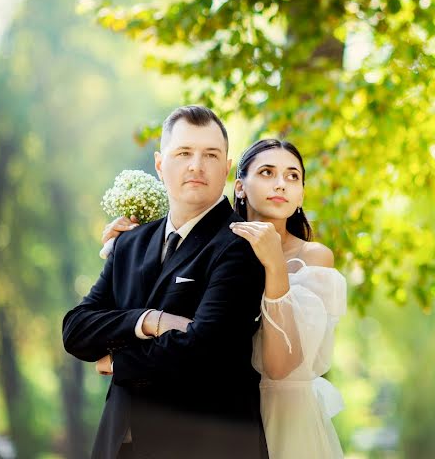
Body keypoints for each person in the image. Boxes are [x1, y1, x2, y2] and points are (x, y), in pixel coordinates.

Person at [105, 139, 347, 458]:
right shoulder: (210, 250)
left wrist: (274, 265)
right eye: (266, 172)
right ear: (240, 186)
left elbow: (278, 366)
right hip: (219, 416)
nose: (281, 184)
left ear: (302, 193)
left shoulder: (312, 258)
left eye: (292, 176)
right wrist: (123, 252)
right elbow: (170, 327)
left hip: (287, 419)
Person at [62, 106, 268, 459]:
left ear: (227, 166)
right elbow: (76, 330)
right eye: (184, 152)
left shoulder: (240, 244)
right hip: (119, 443)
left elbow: (204, 349)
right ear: (160, 163)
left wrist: (117, 360)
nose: (196, 165)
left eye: (210, 155)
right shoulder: (129, 243)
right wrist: (148, 321)